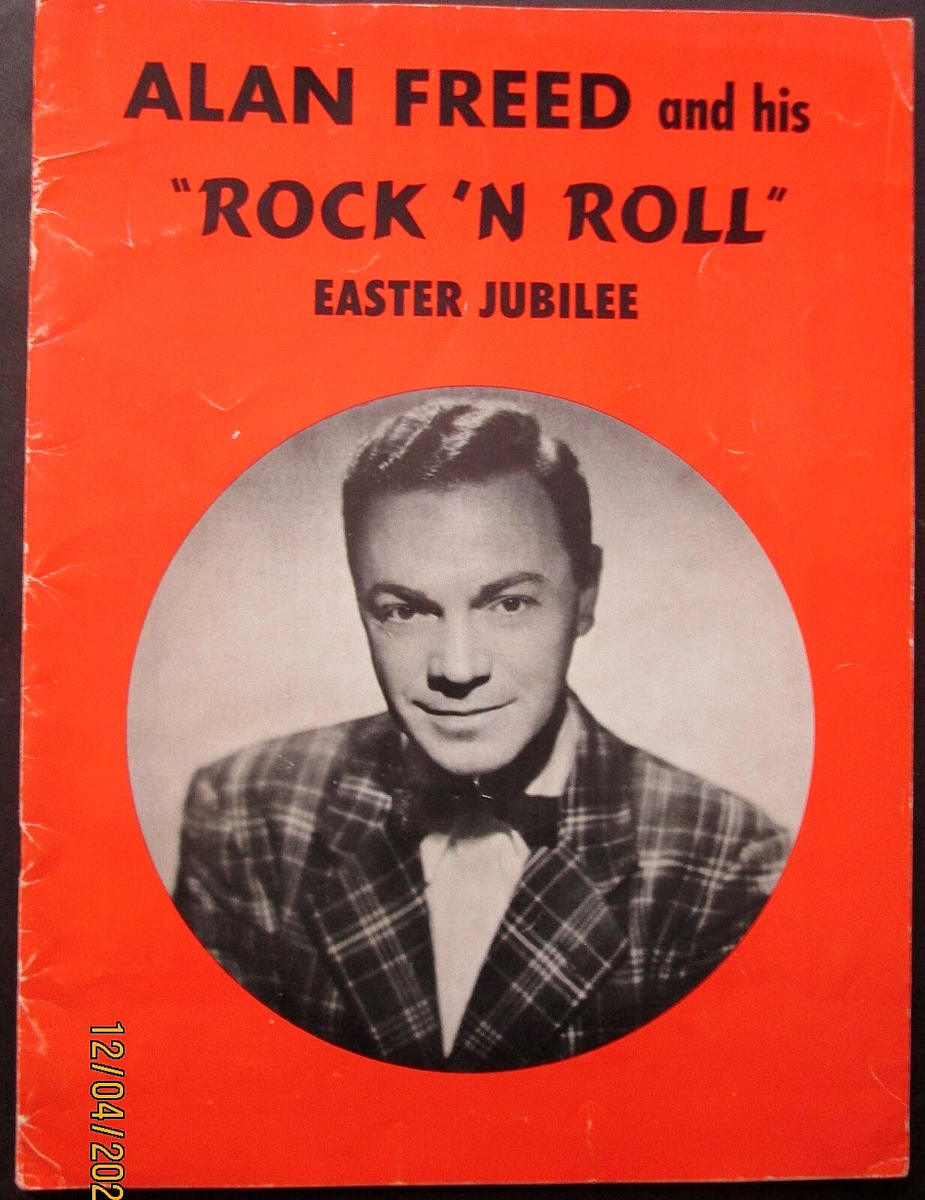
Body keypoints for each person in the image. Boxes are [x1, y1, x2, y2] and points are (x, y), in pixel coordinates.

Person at [173, 399, 791, 1071]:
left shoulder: (725, 861)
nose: (458, 668)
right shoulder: (248, 814)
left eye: (509, 603)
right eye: (404, 611)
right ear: (359, 604)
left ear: (585, 595)